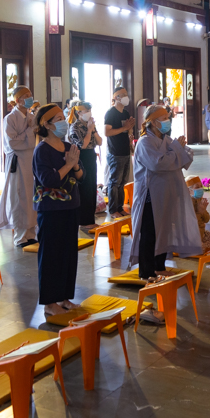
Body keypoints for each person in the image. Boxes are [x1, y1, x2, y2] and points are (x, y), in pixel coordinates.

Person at [130, 105, 201, 284]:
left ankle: (159, 266)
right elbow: (158, 164)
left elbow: (184, 157)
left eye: (167, 118)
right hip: (149, 196)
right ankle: (146, 273)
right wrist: (176, 149)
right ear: (153, 122)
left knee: (164, 231)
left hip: (165, 194)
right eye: (163, 118)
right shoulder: (145, 142)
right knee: (149, 234)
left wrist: (179, 149)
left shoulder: (166, 140)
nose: (167, 121)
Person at [33, 104, 84, 316]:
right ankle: (49, 303)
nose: (64, 122)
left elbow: (81, 175)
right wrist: (68, 165)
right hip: (50, 209)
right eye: (59, 118)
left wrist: (75, 165)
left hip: (70, 205)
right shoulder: (41, 150)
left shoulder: (67, 146)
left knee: (68, 254)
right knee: (51, 256)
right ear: (46, 124)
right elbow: (48, 180)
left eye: (64, 117)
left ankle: (64, 298)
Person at [0, 86, 38, 246]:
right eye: (26, 96)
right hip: (18, 161)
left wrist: (32, 130)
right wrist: (29, 131)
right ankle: (20, 236)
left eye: (30, 95)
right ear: (18, 100)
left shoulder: (32, 116)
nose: (30, 98)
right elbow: (12, 142)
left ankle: (31, 233)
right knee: (19, 198)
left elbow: (37, 137)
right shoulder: (10, 119)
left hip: (31, 161)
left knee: (32, 196)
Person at [67, 101, 102, 233]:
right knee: (84, 188)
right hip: (82, 157)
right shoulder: (75, 127)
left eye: (89, 110)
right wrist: (89, 130)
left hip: (91, 156)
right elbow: (82, 145)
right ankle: (84, 220)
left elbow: (100, 142)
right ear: (79, 113)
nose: (88, 113)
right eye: (86, 111)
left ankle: (90, 219)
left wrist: (93, 129)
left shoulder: (90, 125)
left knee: (92, 187)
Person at [104, 87, 135, 217]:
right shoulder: (111, 113)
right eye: (123, 95)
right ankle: (112, 210)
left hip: (125, 150)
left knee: (122, 182)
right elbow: (107, 132)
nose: (126, 97)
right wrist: (124, 128)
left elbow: (128, 130)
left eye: (126, 94)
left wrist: (130, 132)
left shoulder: (125, 113)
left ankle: (120, 207)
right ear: (116, 97)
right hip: (115, 152)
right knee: (115, 182)